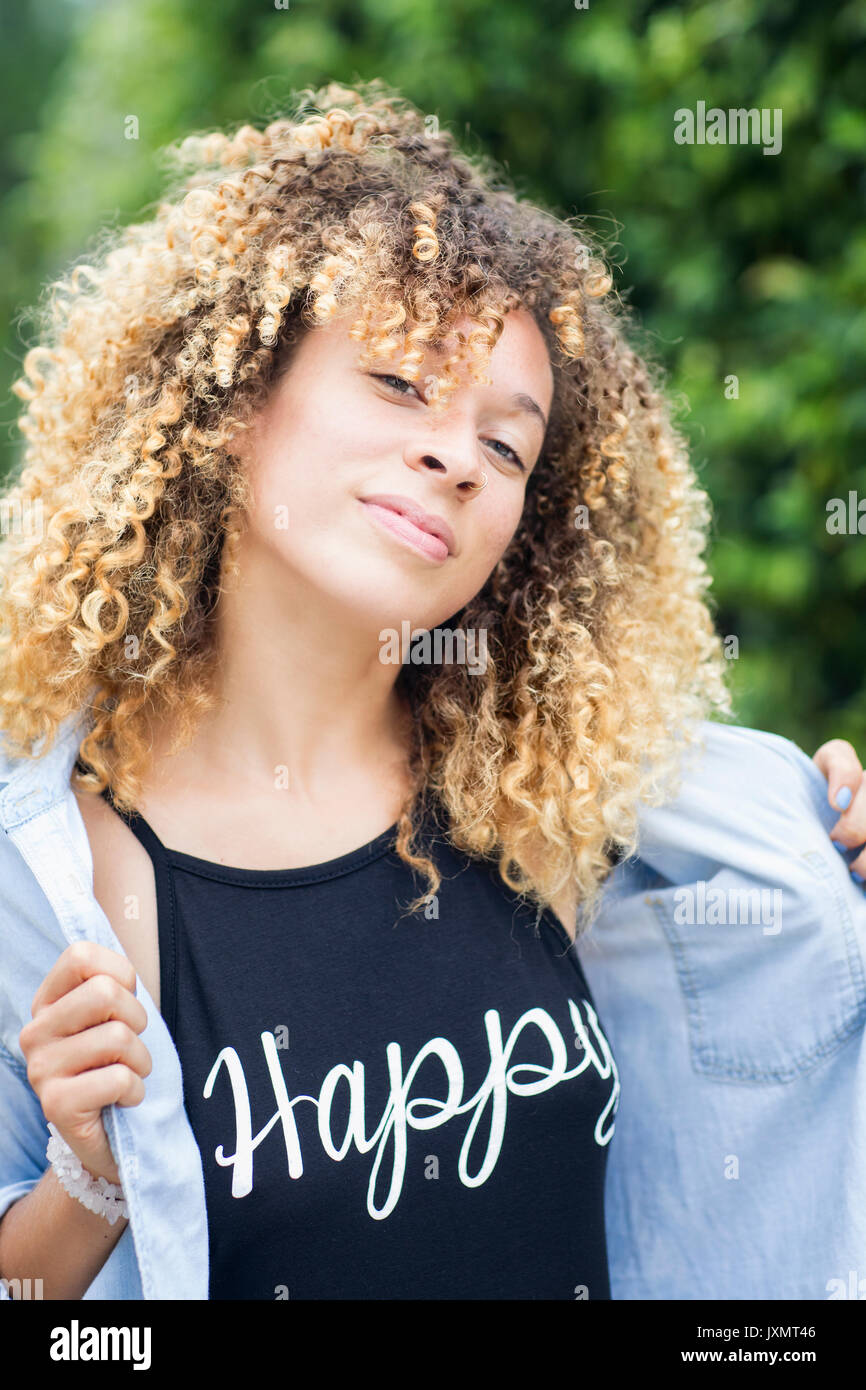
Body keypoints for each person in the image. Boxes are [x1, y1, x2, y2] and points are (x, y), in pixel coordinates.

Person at [0, 80, 863, 1301]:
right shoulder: (50, 876)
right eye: (400, 384)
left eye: (505, 444)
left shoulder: (580, 816)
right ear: (236, 398)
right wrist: (86, 1191)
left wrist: (829, 855)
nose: (455, 455)